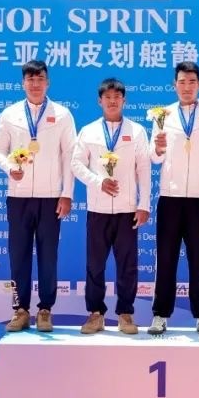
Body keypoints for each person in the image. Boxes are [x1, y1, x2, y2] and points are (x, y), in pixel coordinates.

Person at [0, 61, 76, 333]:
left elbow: (69, 156)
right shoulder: (9, 114)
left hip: (50, 198)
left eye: (40, 79)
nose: (35, 84)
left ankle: (45, 310)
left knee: (48, 256)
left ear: (47, 82)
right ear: (23, 83)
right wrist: (9, 168)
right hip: (18, 197)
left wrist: (66, 194)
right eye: (30, 79)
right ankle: (20, 309)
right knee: (18, 255)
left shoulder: (62, 115)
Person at [147, 61, 199, 336]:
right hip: (170, 197)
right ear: (174, 85)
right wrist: (157, 149)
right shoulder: (163, 115)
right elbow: (154, 158)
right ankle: (160, 314)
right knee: (165, 258)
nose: (187, 87)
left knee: (198, 259)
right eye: (182, 82)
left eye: (192, 82)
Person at [70, 78, 151, 335]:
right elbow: (76, 164)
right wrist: (98, 182)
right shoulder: (89, 131)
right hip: (98, 209)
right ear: (100, 101)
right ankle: (96, 314)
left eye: (117, 97)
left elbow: (144, 169)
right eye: (108, 97)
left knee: (127, 264)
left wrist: (144, 204)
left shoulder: (137, 131)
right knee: (95, 265)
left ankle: (125, 313)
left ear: (124, 100)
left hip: (127, 210)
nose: (112, 101)